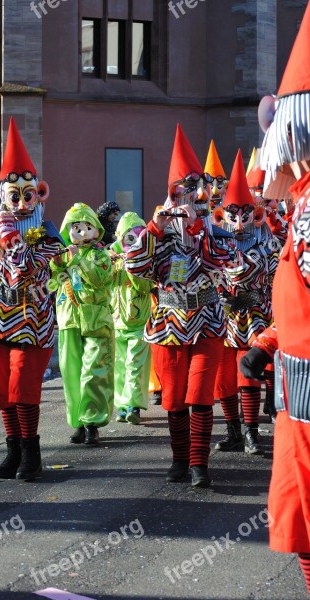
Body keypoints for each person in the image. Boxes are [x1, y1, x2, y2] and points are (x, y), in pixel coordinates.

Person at [240, 2, 310, 593]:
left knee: (305, 509)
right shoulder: (303, 203)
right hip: (295, 376)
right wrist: (268, 341)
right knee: (298, 509)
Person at [125, 124, 235, 488]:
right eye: (180, 193)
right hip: (168, 324)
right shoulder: (157, 234)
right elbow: (135, 267)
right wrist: (155, 229)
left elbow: (226, 262)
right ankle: (179, 458)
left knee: (201, 392)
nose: (186, 200)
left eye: (194, 192)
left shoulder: (214, 227)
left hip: (207, 322)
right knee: (173, 397)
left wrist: (201, 226)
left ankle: (200, 463)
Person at [0, 117, 60, 481]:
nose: (20, 203)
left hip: (32, 319)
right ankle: (13, 448)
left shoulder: (49, 236)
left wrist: (8, 238)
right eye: (13, 196)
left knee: (23, 384)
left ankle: (31, 450)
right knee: (1, 387)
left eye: (27, 195)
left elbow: (24, 270)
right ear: (3, 195)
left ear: (39, 194)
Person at [211, 149, 278, 454]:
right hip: (222, 315)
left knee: (247, 373)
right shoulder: (213, 240)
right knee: (223, 378)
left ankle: (252, 432)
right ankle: (234, 430)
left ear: (255, 213)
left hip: (255, 315)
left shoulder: (267, 241)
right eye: (232, 215)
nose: (239, 222)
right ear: (221, 215)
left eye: (245, 214)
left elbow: (249, 271)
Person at [50, 203, 114, 447]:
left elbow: (100, 279)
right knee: (71, 372)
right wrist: (56, 264)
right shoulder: (65, 254)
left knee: (93, 373)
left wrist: (79, 261)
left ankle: (92, 423)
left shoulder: (102, 255)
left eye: (88, 227)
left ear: (97, 229)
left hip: (95, 319)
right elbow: (52, 285)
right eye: (76, 228)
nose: (82, 232)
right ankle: (77, 421)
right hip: (69, 319)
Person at [110, 212, 153, 425]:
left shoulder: (147, 259)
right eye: (127, 236)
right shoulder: (112, 257)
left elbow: (145, 287)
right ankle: (122, 405)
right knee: (119, 366)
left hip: (139, 321)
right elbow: (103, 283)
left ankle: (134, 405)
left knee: (136, 365)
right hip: (117, 321)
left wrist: (133, 264)